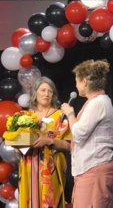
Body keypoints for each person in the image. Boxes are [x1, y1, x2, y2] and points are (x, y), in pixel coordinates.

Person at [60, 60, 113, 208]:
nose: (76, 85)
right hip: (91, 168)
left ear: (84, 81)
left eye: (77, 81)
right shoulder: (98, 101)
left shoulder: (97, 102)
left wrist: (70, 113)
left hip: (94, 168)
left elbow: (78, 134)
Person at [20, 77, 72, 208]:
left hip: (51, 167)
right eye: (43, 90)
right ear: (35, 92)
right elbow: (17, 145)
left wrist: (49, 141)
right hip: (28, 166)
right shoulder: (25, 116)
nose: (46, 94)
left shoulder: (60, 116)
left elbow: (69, 145)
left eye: (50, 91)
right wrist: (17, 144)